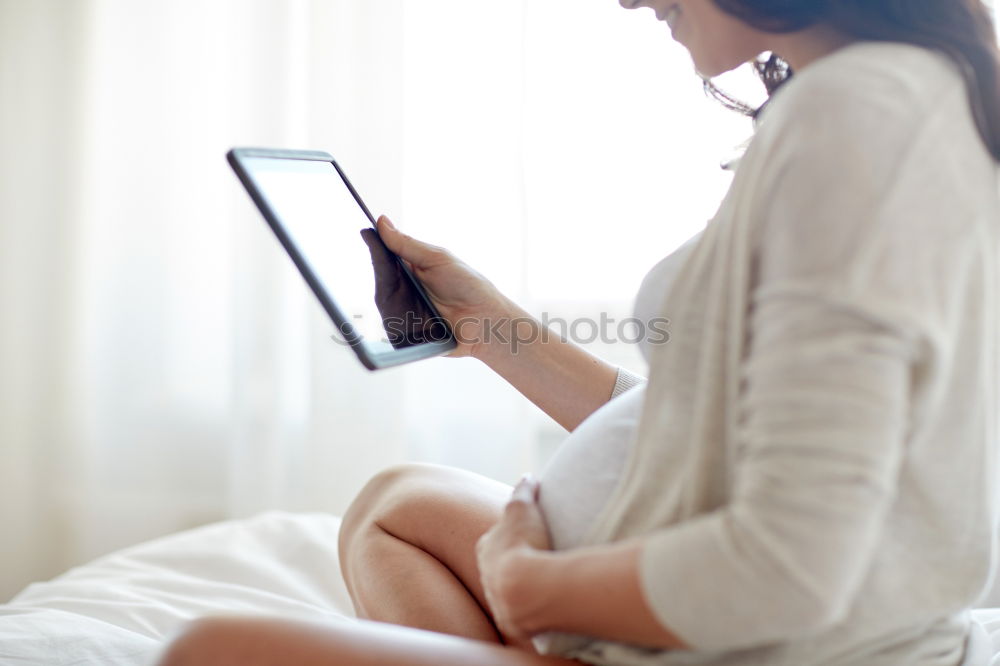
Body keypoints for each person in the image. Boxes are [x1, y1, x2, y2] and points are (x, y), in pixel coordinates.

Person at [159, 0, 1000, 664]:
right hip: (777, 624)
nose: (629, 0)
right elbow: (710, 423)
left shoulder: (858, 119)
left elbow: (791, 568)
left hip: (789, 642)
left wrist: (537, 590)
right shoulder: (902, 94)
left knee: (207, 653)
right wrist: (491, 329)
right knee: (397, 501)